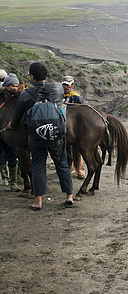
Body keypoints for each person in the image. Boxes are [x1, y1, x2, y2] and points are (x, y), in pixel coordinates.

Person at [7, 62, 74, 211]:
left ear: (32, 77)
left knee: (38, 165)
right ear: (45, 76)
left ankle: (38, 201)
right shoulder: (57, 88)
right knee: (62, 164)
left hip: (36, 136)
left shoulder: (25, 94)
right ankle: (69, 196)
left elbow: (17, 120)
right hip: (55, 134)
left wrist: (10, 126)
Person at [0, 74, 21, 191]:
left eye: (16, 86)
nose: (15, 88)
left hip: (11, 133)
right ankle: (5, 178)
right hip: (1, 132)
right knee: (1, 156)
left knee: (12, 155)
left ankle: (14, 182)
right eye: (12, 86)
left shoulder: (18, 99)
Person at [61, 75, 85, 179]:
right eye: (64, 85)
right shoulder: (61, 96)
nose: (66, 87)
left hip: (75, 128)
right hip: (64, 126)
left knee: (78, 150)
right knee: (67, 149)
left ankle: (79, 170)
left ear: (72, 86)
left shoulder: (76, 97)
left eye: (68, 86)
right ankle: (69, 168)